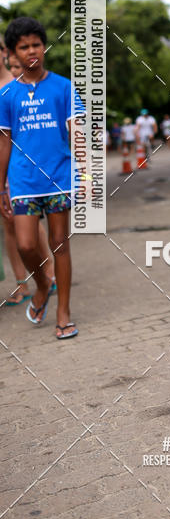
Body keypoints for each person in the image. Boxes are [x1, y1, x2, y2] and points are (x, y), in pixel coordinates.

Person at [0, 17, 81, 339]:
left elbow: (76, 131)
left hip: (58, 177)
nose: (31, 51)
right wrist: (1, 186)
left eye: (36, 44)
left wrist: (86, 174)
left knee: (59, 244)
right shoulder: (7, 95)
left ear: (43, 46)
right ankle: (43, 284)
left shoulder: (63, 86)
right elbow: (4, 141)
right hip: (22, 181)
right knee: (25, 244)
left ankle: (63, 313)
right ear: (14, 53)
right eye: (24, 47)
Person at [0, 45, 55, 305]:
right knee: (7, 222)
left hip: (20, 162)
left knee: (26, 219)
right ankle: (22, 284)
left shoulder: (19, 84)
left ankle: (48, 273)